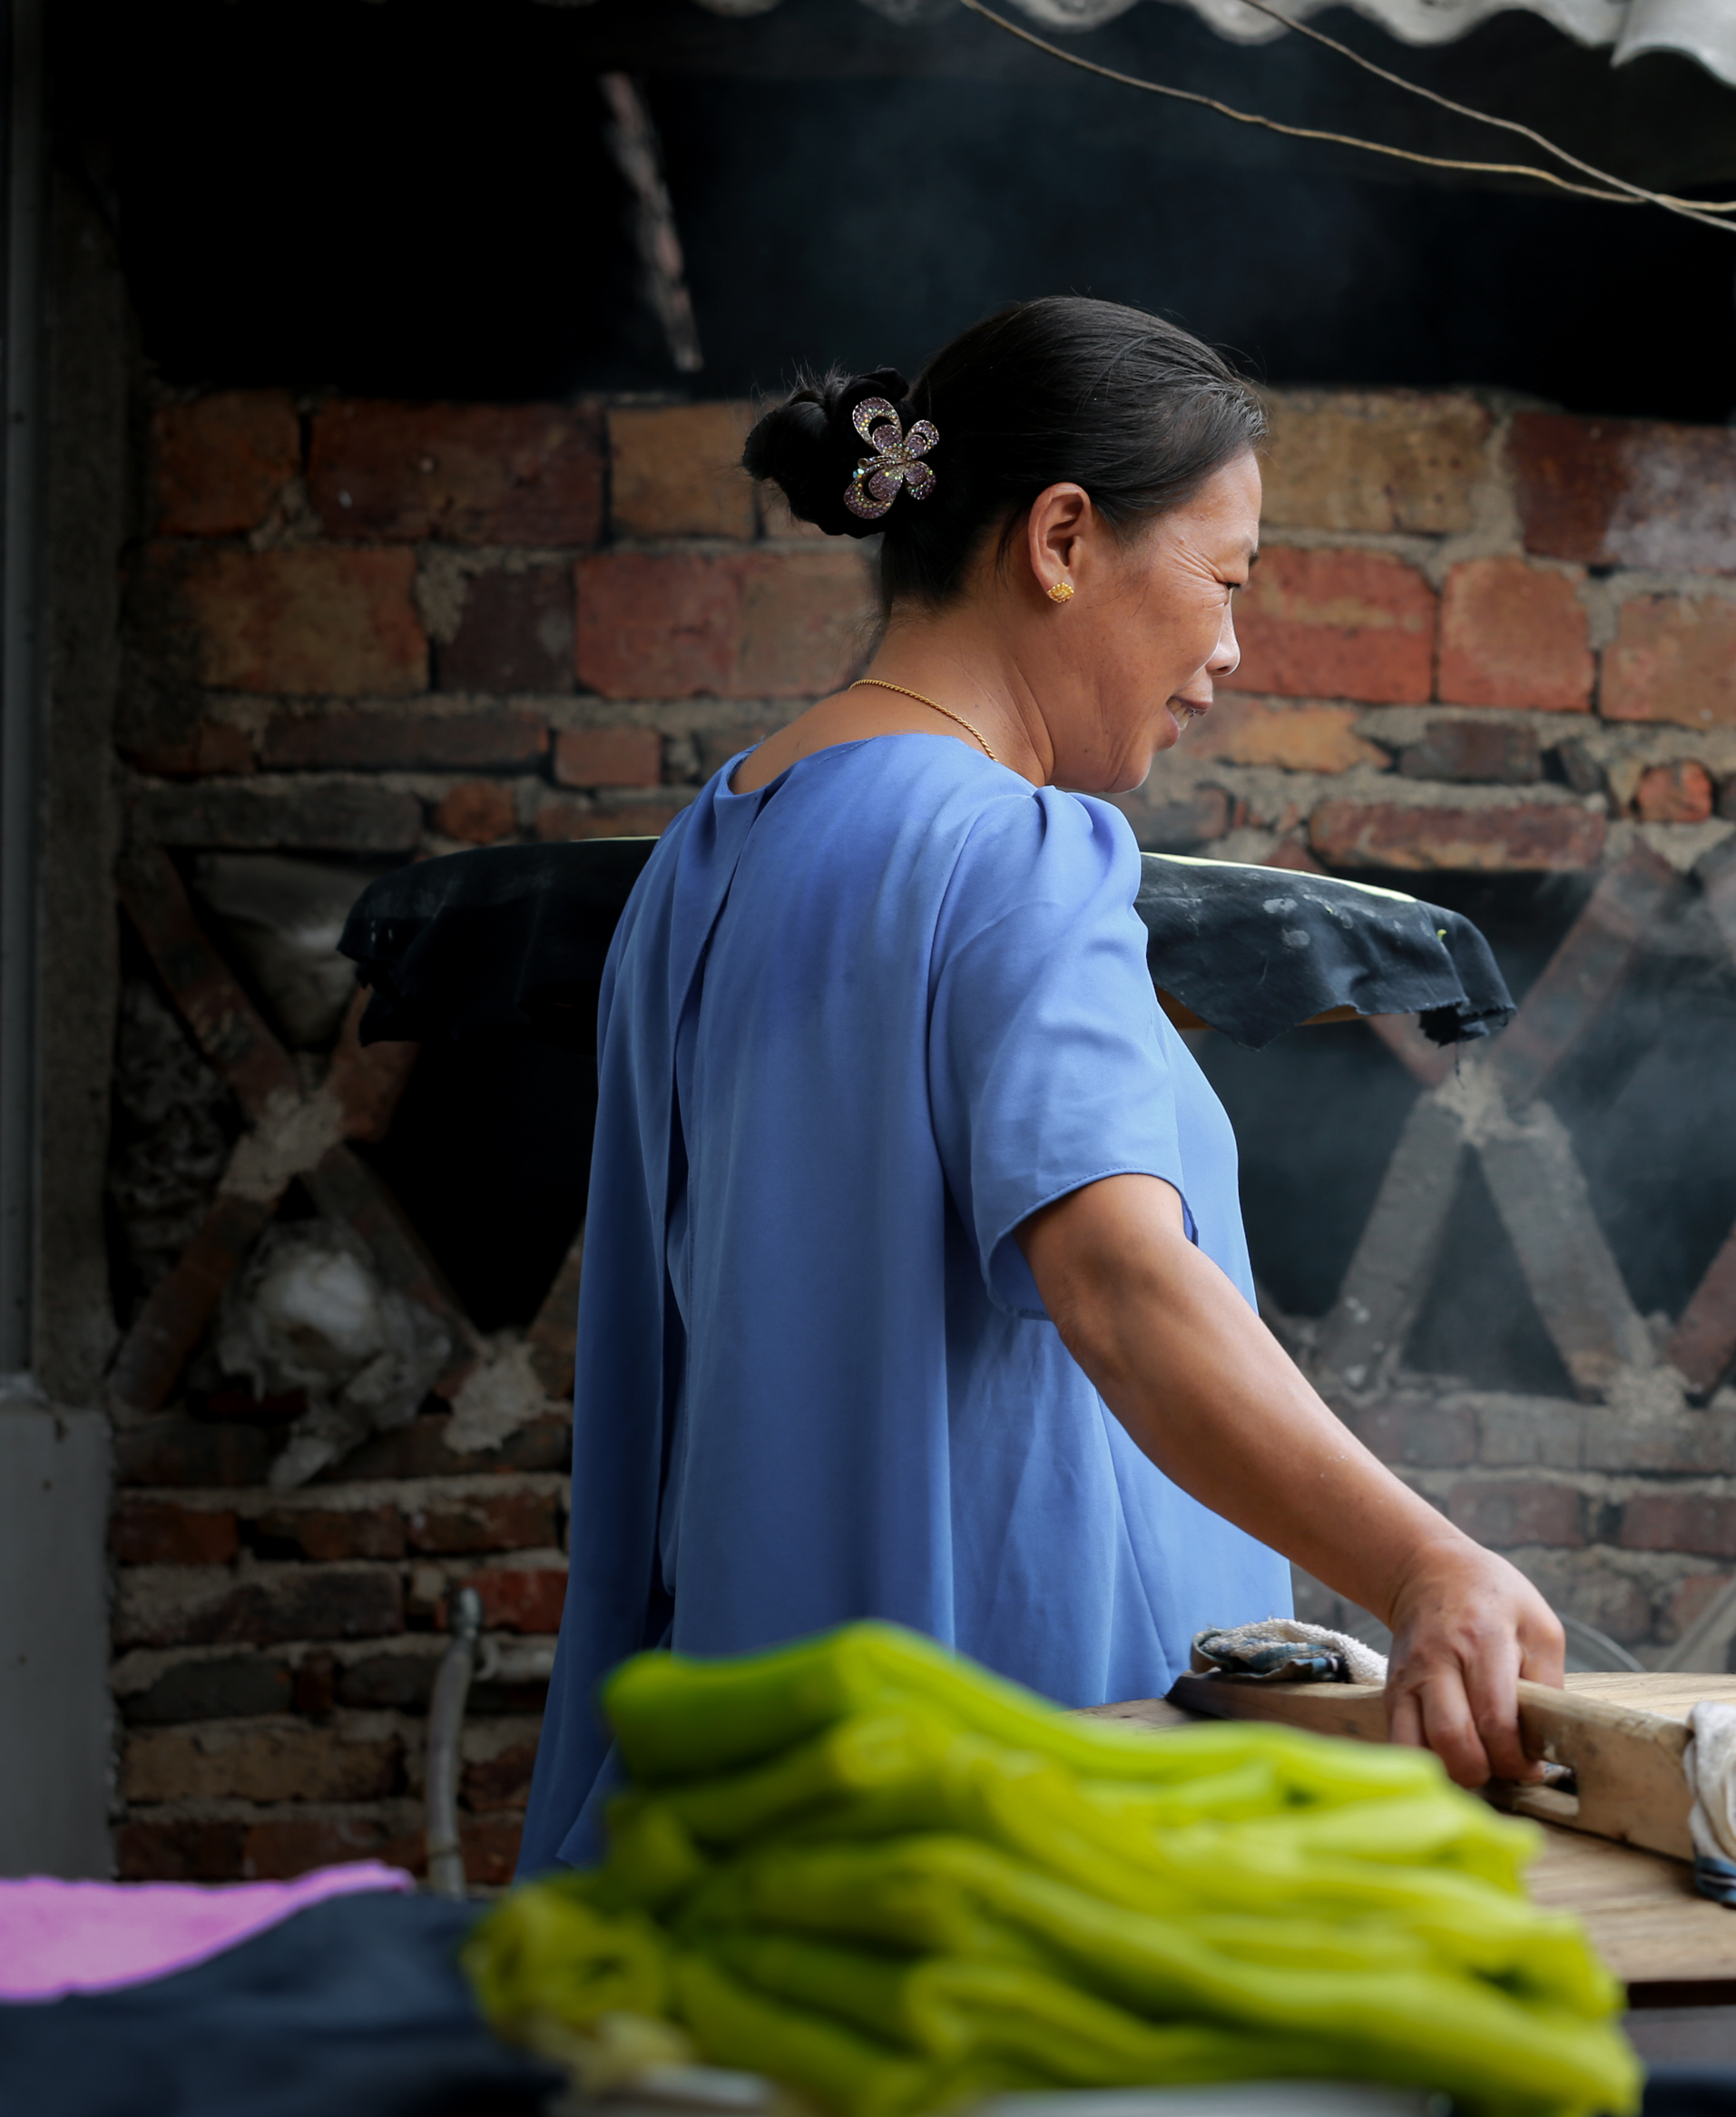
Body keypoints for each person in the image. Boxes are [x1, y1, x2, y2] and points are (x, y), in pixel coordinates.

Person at [516, 298, 1562, 1875]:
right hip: (1006, 1804)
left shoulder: (708, 850)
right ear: (1063, 537)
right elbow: (1123, 1285)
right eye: (1222, 582)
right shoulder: (1017, 851)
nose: (1225, 656)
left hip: (750, 1803)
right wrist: (1424, 1562)